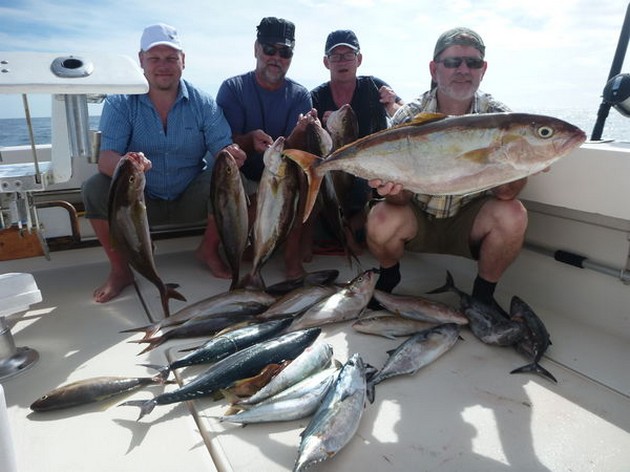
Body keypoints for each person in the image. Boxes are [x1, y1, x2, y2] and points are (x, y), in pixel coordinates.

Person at [82, 23, 246, 303]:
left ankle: (208, 249)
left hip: (190, 197)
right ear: (141, 60)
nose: (163, 66)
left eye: (171, 58)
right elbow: (106, 158)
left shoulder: (204, 103)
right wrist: (129, 164)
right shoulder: (120, 102)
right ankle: (121, 270)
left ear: (183, 60)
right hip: (142, 203)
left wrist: (234, 154)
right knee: (95, 187)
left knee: (229, 178)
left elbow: (223, 149)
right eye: (154, 58)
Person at [366, 27, 528, 308]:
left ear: (483, 69)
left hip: (468, 221)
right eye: (453, 62)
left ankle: (483, 298)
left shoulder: (501, 119)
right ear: (434, 68)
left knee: (513, 214)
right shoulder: (410, 116)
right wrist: (391, 189)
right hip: (418, 218)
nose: (463, 69)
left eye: (473, 62)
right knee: (381, 218)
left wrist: (521, 163)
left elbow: (506, 193)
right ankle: (389, 278)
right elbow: (400, 198)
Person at [216, 17, 316, 278]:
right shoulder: (232, 88)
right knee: (223, 172)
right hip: (244, 173)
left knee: (306, 177)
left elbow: (295, 152)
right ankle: (222, 249)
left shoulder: (300, 95)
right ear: (256, 49)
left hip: (280, 174)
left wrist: (297, 134)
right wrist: (249, 140)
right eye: (270, 49)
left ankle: (291, 257)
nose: (276, 57)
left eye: (285, 52)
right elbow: (225, 141)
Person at [311, 29, 404, 250]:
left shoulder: (375, 86)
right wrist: (317, 126)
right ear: (326, 62)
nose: (342, 61)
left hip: (373, 169)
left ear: (359, 59)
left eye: (348, 55)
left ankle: (354, 227)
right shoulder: (315, 97)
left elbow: (405, 116)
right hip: (334, 170)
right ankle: (340, 228)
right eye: (336, 56)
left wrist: (392, 104)